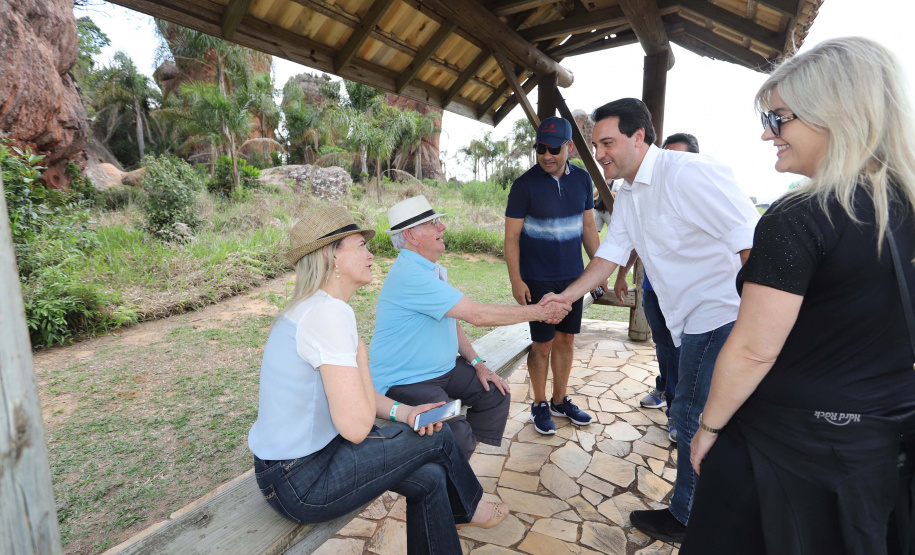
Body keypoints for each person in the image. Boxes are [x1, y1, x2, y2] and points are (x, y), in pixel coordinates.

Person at [684, 37, 915, 554]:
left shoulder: (801, 217)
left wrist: (708, 427)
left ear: (836, 115)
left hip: (787, 453)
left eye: (779, 118)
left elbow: (752, 349)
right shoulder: (903, 207)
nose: (767, 134)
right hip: (881, 450)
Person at [540, 98, 760, 542]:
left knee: (693, 411)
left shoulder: (689, 173)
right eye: (595, 144)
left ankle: (687, 517)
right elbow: (608, 255)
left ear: (639, 137)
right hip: (689, 319)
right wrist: (563, 297)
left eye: (607, 142)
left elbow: (750, 239)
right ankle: (723, 508)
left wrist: (758, 322)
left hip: (722, 315)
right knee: (700, 411)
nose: (599, 153)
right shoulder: (629, 194)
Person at [248, 207, 509, 555]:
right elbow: (356, 428)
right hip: (301, 481)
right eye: (360, 246)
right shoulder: (328, 314)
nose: (371, 254)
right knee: (441, 436)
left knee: (431, 478)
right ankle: (468, 506)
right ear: (332, 256)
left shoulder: (316, 308)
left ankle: (458, 511)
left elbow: (352, 397)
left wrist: (407, 413)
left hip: (295, 467)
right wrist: (361, 355)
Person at [370, 195, 571, 459]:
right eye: (433, 223)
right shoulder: (411, 275)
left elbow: (451, 321)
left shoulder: (428, 269)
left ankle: (456, 466)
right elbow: (477, 314)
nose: (442, 227)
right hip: (407, 380)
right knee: (458, 433)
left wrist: (478, 364)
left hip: (442, 369)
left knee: (496, 395)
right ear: (411, 235)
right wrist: (541, 313)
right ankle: (454, 470)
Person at [504, 116, 600, 435]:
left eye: (553, 149)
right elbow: (511, 237)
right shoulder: (523, 186)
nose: (547, 155)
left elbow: (588, 226)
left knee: (566, 340)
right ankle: (540, 403)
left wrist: (597, 269)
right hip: (538, 280)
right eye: (540, 148)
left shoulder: (584, 181)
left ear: (569, 147)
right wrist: (517, 279)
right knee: (542, 344)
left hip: (573, 280)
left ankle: (560, 400)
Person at [619, 133, 700, 443]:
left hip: (690, 294)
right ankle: (666, 389)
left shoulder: (700, 196)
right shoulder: (645, 196)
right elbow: (633, 242)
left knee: (686, 352)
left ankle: (680, 414)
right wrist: (622, 274)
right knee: (665, 347)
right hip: (654, 291)